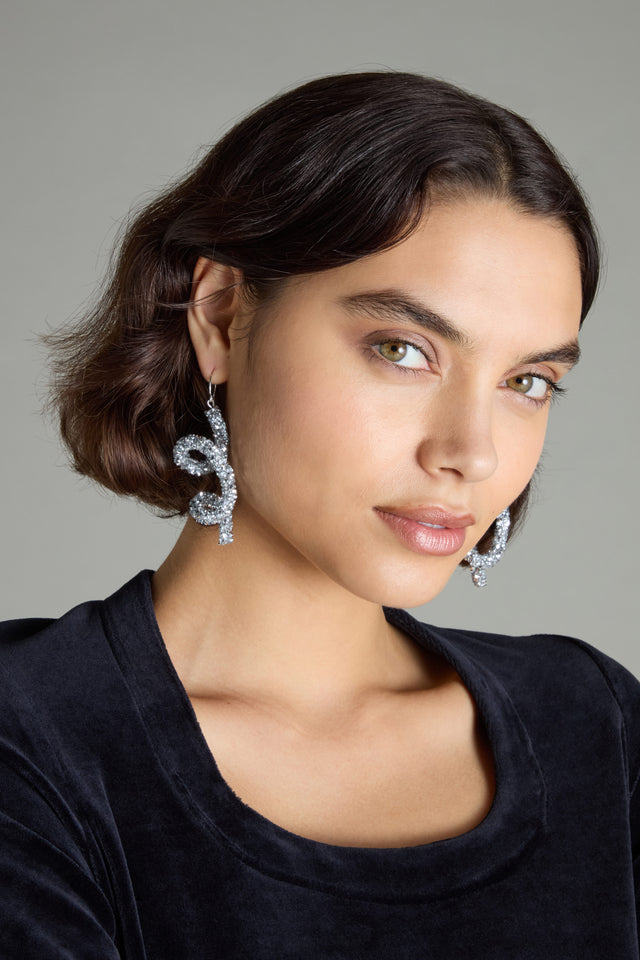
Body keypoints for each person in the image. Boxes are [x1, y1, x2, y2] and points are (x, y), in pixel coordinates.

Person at [0, 70, 637, 957]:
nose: (472, 451)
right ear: (222, 316)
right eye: (403, 350)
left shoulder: (594, 726)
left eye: (527, 382)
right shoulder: (31, 741)